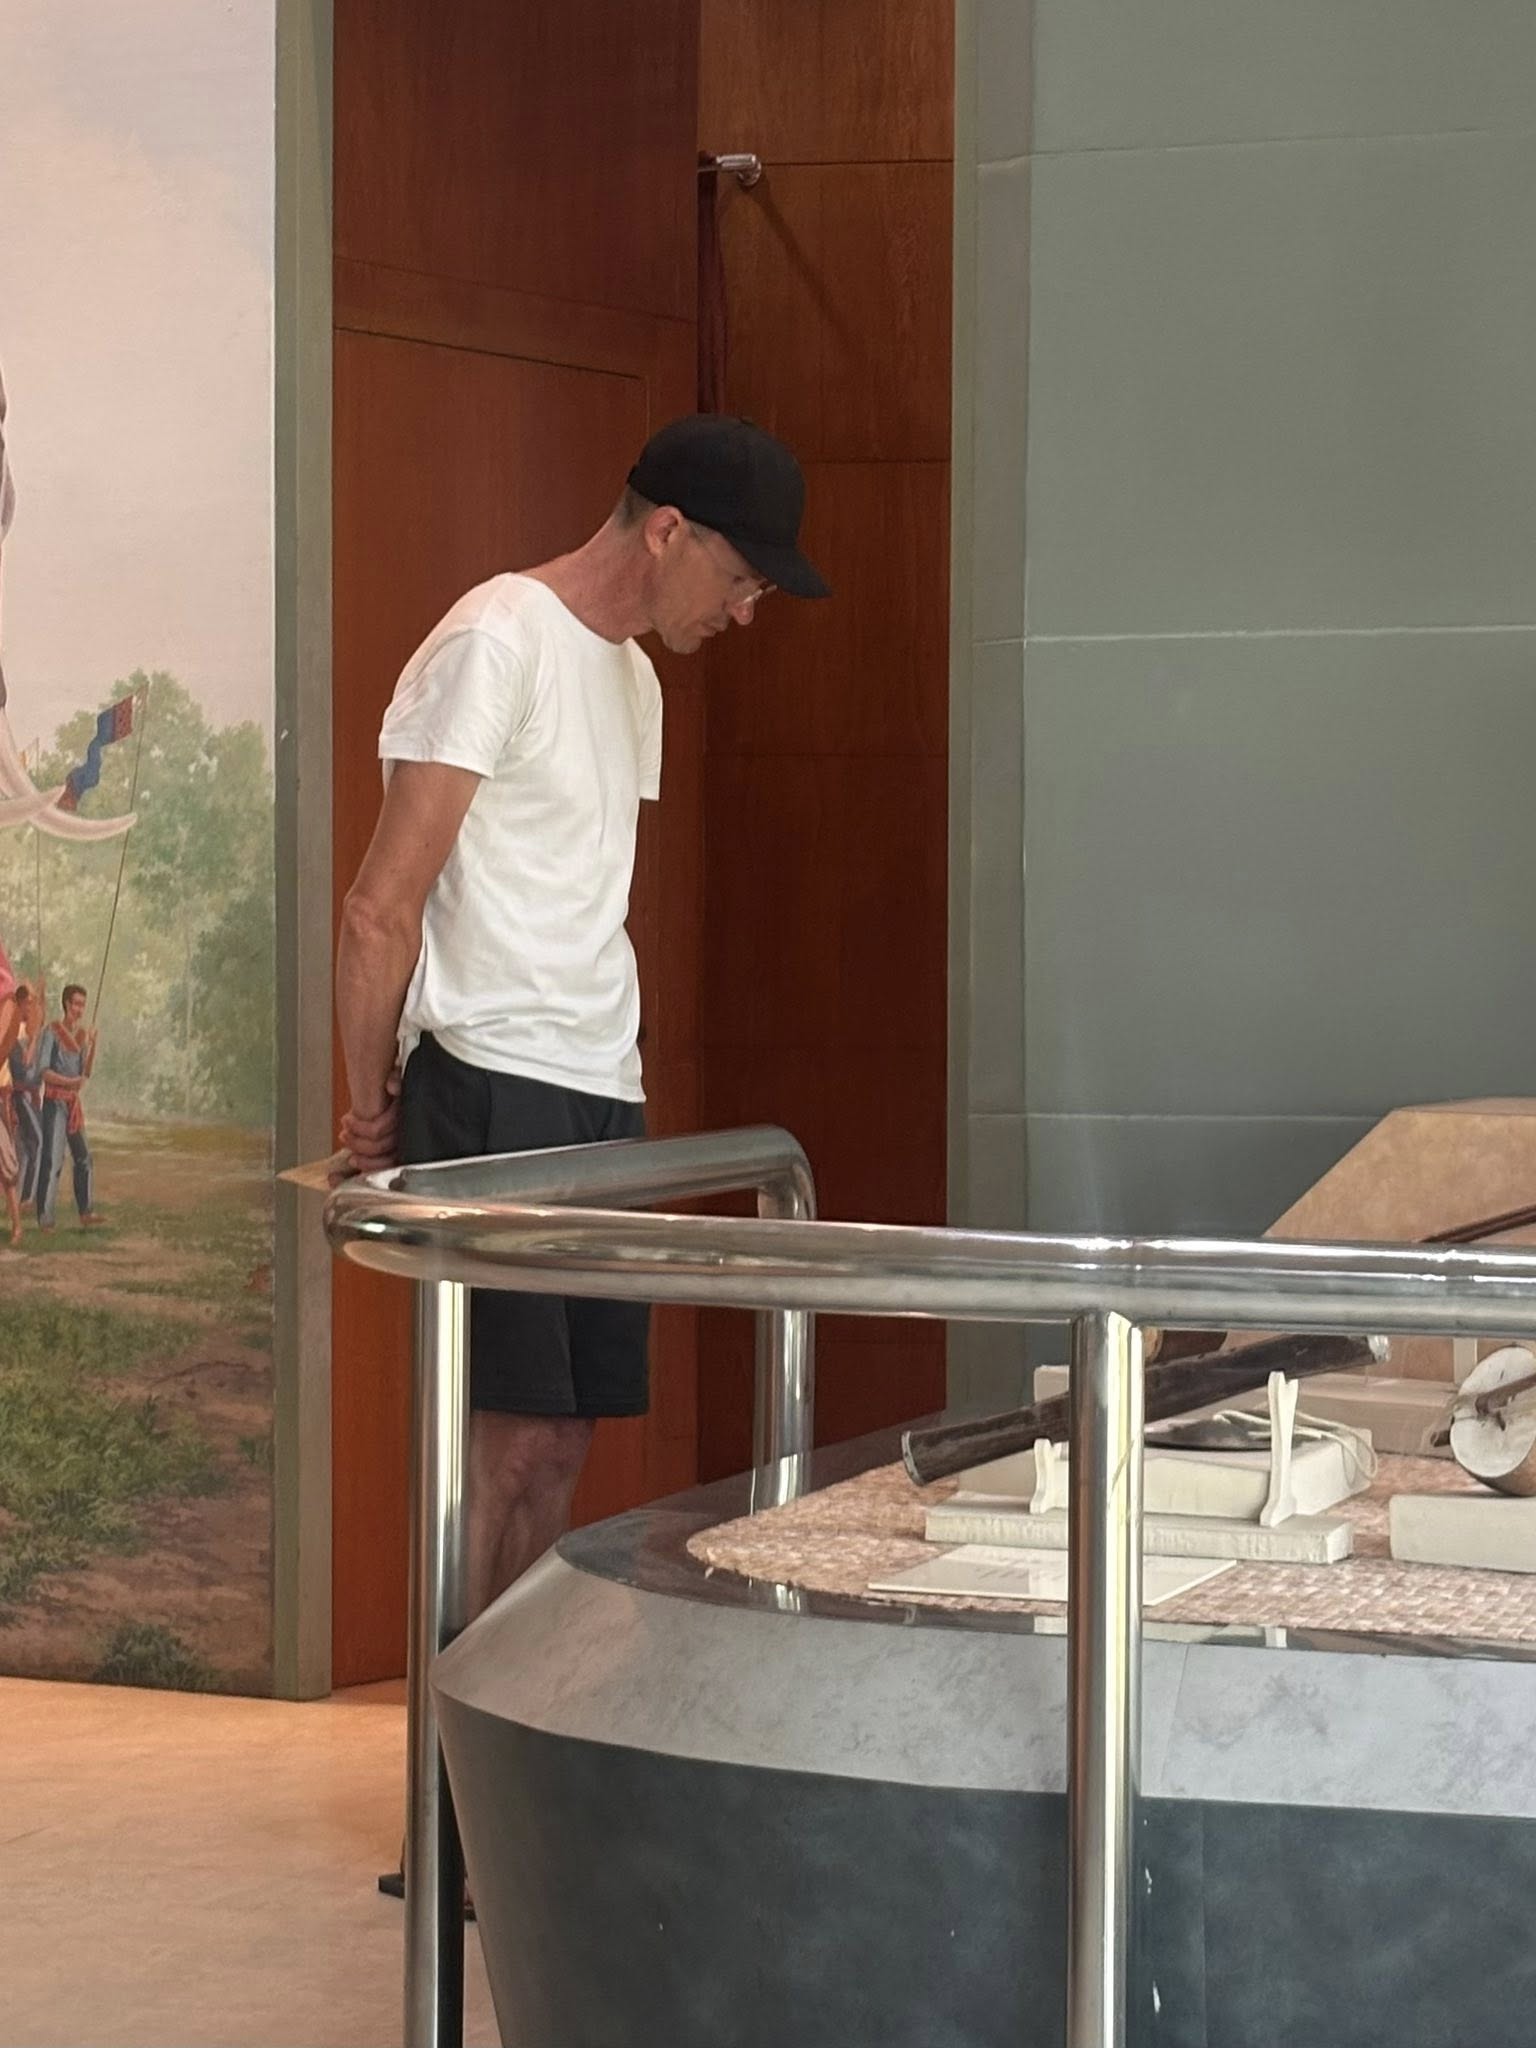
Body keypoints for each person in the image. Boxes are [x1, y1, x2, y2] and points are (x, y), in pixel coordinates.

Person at [335, 414, 828, 1623]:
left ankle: (504, 1729)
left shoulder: (635, 679)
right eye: (742, 579)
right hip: (487, 1075)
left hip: (602, 1088)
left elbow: (575, 894)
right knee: (506, 1440)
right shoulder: (495, 637)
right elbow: (379, 909)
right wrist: (370, 1106)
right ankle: (447, 1735)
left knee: (561, 1441)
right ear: (668, 532)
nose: (745, 613)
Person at [34, 982, 102, 1230]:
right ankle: (45, 1218)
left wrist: (92, 1046)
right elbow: (44, 1072)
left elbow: (86, 1073)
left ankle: (86, 1211)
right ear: (66, 1004)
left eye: (83, 1005)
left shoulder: (82, 1035)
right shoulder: (51, 1032)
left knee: (83, 1157)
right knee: (52, 1160)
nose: (79, 1009)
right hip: (54, 1103)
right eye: (76, 1004)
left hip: (73, 1106)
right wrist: (70, 1082)